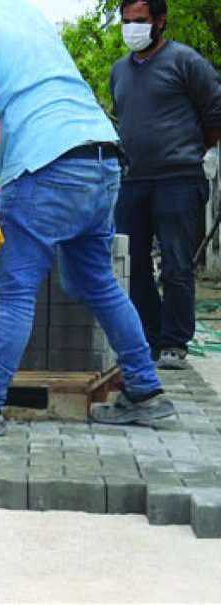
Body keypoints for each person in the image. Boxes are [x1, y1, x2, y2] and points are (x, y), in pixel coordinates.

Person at [0, 0, 174, 435]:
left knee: (12, 290)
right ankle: (146, 390)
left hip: (48, 167)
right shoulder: (13, 8)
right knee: (96, 281)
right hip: (100, 156)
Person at [111, 0, 221, 370]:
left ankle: (175, 342)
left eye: (139, 21)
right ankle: (151, 336)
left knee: (176, 263)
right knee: (133, 262)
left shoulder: (186, 62)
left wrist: (191, 151)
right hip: (133, 179)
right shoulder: (119, 72)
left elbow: (214, 115)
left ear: (159, 21)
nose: (131, 28)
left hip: (178, 178)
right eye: (125, 21)